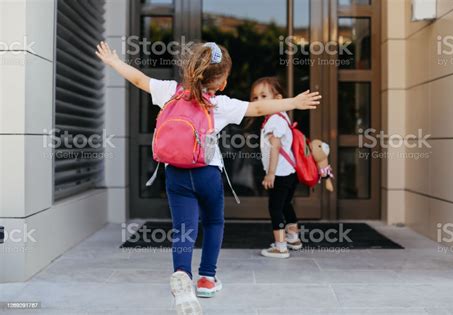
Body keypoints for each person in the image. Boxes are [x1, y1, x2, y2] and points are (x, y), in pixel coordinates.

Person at [95, 41, 321, 315]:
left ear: (191, 71)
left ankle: (182, 274)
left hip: (175, 174)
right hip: (206, 173)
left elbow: (138, 79)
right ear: (223, 82)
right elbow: (258, 109)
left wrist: (114, 62)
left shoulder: (170, 91)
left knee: (184, 228)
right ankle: (207, 278)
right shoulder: (220, 104)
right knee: (213, 222)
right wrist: (294, 102)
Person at [251, 77, 303, 259]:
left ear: (279, 99)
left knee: (275, 208)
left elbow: (275, 146)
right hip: (289, 172)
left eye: (263, 96)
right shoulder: (281, 117)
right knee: (285, 205)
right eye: (255, 98)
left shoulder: (274, 120)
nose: (258, 101)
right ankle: (293, 238)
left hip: (279, 173)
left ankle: (280, 247)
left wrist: (270, 174)